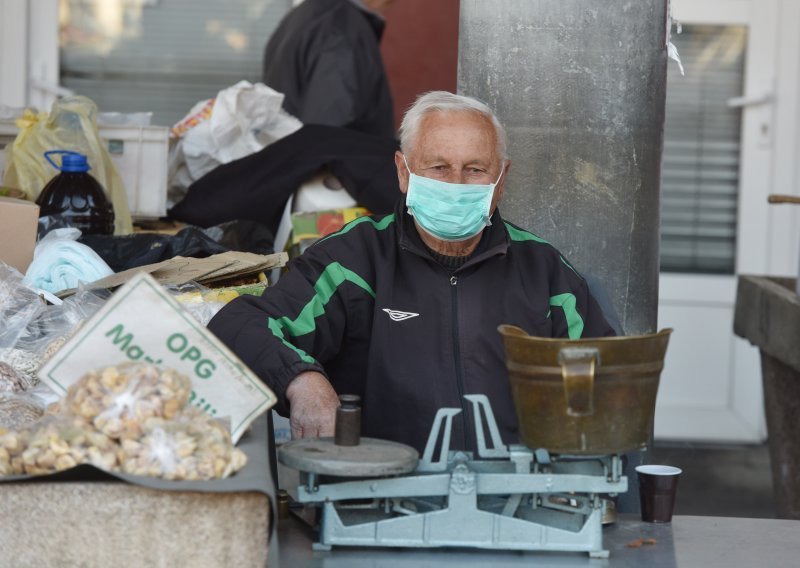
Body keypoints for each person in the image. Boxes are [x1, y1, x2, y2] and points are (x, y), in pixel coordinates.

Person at [208, 91, 615, 453]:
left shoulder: (543, 272)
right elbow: (241, 324)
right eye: (438, 167)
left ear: (501, 179)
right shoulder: (355, 259)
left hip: (515, 503)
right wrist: (303, 381)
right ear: (404, 172)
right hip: (379, 498)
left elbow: (608, 377)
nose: (456, 183)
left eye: (475, 169)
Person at [261, 0, 396, 139]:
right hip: (317, 154)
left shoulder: (305, 14)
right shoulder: (341, 28)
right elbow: (326, 136)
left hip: (286, 150)